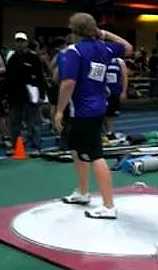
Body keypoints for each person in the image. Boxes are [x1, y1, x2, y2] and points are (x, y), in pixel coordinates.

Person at [54, 12, 132, 219]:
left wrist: (59, 110)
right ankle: (82, 192)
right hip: (97, 107)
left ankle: (108, 205)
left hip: (80, 110)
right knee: (76, 148)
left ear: (73, 31)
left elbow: (68, 83)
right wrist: (105, 34)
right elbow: (127, 47)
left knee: (96, 155)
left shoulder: (74, 52)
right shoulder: (104, 48)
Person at [4, 31, 46, 157]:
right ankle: (15, 146)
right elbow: (8, 79)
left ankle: (36, 146)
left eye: (22, 41)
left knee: (33, 122)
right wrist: (6, 96)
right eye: (18, 41)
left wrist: (42, 95)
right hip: (15, 96)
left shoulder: (33, 58)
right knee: (15, 123)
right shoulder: (12, 59)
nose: (20, 43)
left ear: (27, 42)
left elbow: (40, 77)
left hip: (31, 94)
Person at [104, 57, 128, 139]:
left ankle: (109, 133)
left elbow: (125, 77)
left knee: (110, 114)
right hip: (101, 91)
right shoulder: (100, 58)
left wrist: (124, 91)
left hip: (114, 92)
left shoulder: (119, 61)